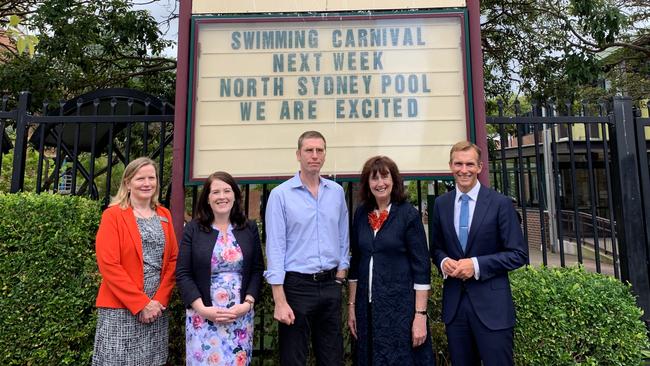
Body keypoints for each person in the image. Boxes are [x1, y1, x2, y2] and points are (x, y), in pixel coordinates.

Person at [430, 141, 528, 366]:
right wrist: (443, 261)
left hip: (493, 309)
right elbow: (436, 248)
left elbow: (518, 253)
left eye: (469, 164)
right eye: (458, 164)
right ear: (450, 166)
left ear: (480, 167)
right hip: (455, 309)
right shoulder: (441, 205)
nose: (463, 170)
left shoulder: (500, 204)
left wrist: (475, 265)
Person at [264, 130, 349, 365]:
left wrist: (341, 273)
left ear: (324, 154)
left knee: (332, 357)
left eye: (319, 150)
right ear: (298, 155)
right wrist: (279, 300)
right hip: (296, 286)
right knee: (294, 358)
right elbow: (275, 248)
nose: (314, 155)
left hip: (331, 284)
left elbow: (343, 235)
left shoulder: (337, 192)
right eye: (309, 150)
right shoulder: (280, 195)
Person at [348, 156, 435, 365]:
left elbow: (421, 268)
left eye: (385, 177)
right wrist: (351, 306)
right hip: (367, 310)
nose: (380, 183)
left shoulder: (408, 215)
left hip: (400, 310)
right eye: (374, 178)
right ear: (368, 184)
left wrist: (420, 315)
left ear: (394, 180)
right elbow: (356, 262)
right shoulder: (361, 214)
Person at [93, 157, 178, 365]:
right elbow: (109, 264)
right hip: (121, 308)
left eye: (152, 177)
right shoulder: (113, 215)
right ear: (127, 183)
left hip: (156, 308)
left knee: (152, 361)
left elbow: (173, 260)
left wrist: (158, 301)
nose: (147, 183)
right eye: (140, 178)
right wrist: (141, 304)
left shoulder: (164, 214)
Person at [176, 171, 263, 365]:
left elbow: (257, 269)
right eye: (216, 192)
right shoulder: (193, 229)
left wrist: (247, 304)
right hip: (203, 317)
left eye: (227, 191)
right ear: (207, 198)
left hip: (239, 318)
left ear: (235, 196)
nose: (222, 196)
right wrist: (202, 309)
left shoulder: (249, 228)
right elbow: (183, 273)